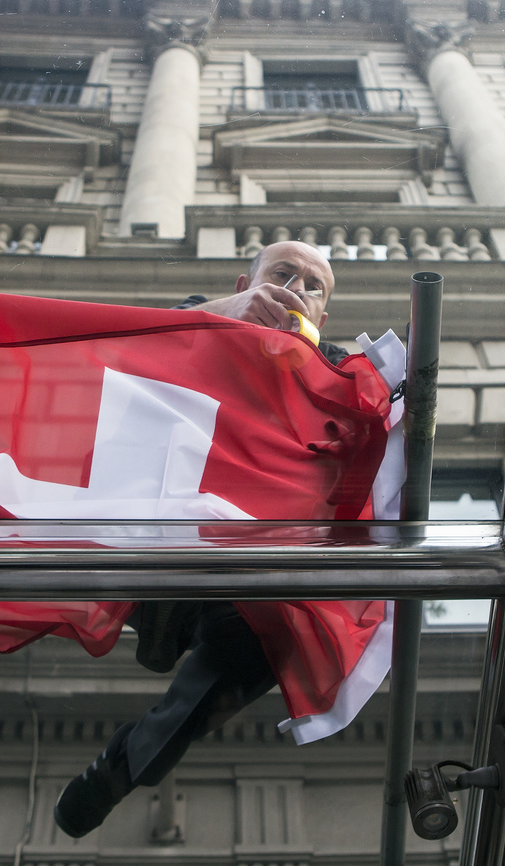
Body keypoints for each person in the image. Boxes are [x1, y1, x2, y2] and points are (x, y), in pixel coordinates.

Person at [53, 241, 344, 838]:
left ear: (323, 312)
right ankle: (166, 612)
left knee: (256, 649)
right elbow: (141, 344)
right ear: (248, 280)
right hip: (179, 523)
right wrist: (233, 309)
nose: (297, 289)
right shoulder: (206, 316)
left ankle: (124, 765)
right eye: (283, 274)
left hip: (261, 555)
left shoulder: (337, 366)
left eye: (314, 286)